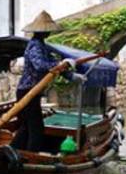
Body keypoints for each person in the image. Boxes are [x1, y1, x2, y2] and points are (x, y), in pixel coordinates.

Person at [12, 11, 86, 152]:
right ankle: (31, 156)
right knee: (35, 128)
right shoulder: (34, 46)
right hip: (27, 91)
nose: (49, 34)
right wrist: (61, 63)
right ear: (41, 32)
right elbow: (40, 65)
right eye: (47, 31)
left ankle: (16, 150)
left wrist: (71, 75)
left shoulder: (42, 46)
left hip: (33, 92)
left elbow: (54, 65)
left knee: (28, 127)